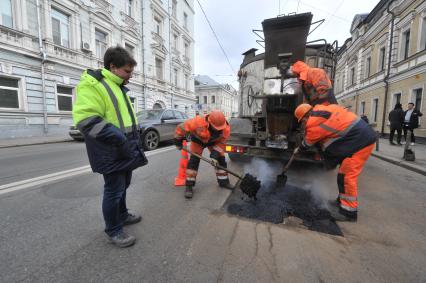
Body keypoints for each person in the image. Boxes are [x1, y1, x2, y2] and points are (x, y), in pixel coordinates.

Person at [73, 46, 148, 248]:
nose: (130, 76)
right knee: (114, 190)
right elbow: (86, 120)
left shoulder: (118, 86)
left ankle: (122, 215)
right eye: (127, 71)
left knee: (123, 186)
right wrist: (120, 139)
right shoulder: (94, 84)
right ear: (113, 67)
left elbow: (122, 119)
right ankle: (113, 230)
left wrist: (134, 138)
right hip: (111, 150)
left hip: (124, 148)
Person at [294, 103, 376, 221]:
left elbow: (307, 143)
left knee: (347, 177)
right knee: (343, 174)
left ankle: (348, 213)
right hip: (358, 138)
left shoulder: (313, 123)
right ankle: (341, 202)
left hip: (361, 142)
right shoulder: (321, 109)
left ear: (305, 117)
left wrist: (299, 149)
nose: (303, 123)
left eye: (302, 121)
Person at [174, 110, 231, 199]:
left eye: (219, 128)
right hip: (198, 141)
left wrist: (215, 155)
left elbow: (222, 143)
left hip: (214, 142)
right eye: (216, 128)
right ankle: (189, 186)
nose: (218, 130)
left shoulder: (226, 128)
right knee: (194, 161)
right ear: (209, 122)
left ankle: (223, 182)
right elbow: (181, 128)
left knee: (220, 159)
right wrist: (178, 141)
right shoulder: (197, 121)